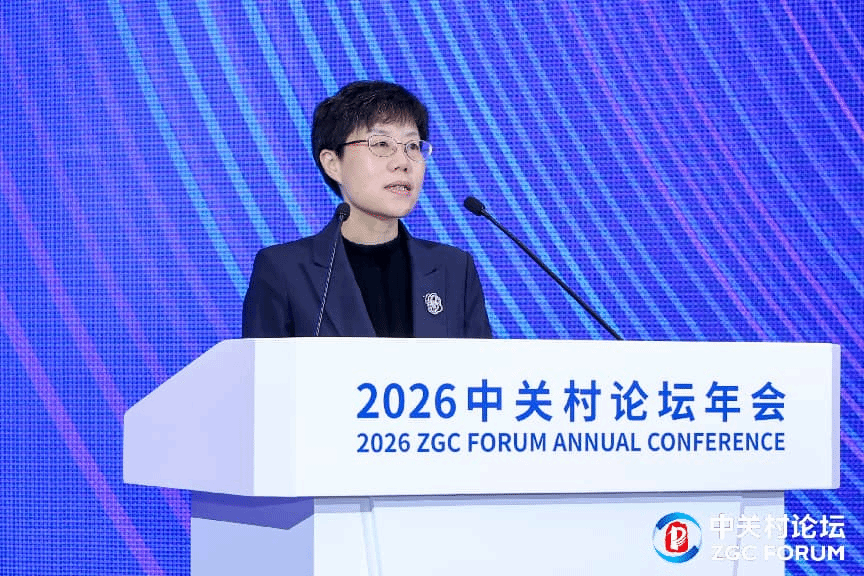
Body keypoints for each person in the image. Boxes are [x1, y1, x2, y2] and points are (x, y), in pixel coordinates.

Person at [242, 80, 492, 338]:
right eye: (382, 144)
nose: (403, 162)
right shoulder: (284, 271)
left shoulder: (454, 270)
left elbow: (482, 364)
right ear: (333, 163)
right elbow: (262, 364)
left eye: (413, 146)